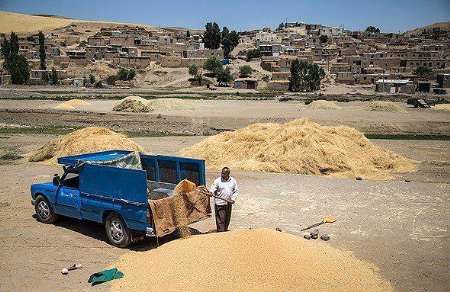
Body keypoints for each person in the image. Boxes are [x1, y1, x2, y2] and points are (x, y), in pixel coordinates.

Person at [209, 167, 239, 232]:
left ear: (228, 174)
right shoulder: (217, 181)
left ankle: (225, 233)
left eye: (223, 173)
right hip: (219, 203)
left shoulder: (233, 181)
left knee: (227, 219)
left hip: (228, 203)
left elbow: (236, 191)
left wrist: (233, 199)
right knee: (221, 220)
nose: (222, 174)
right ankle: (221, 233)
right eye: (221, 173)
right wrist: (211, 192)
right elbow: (212, 188)